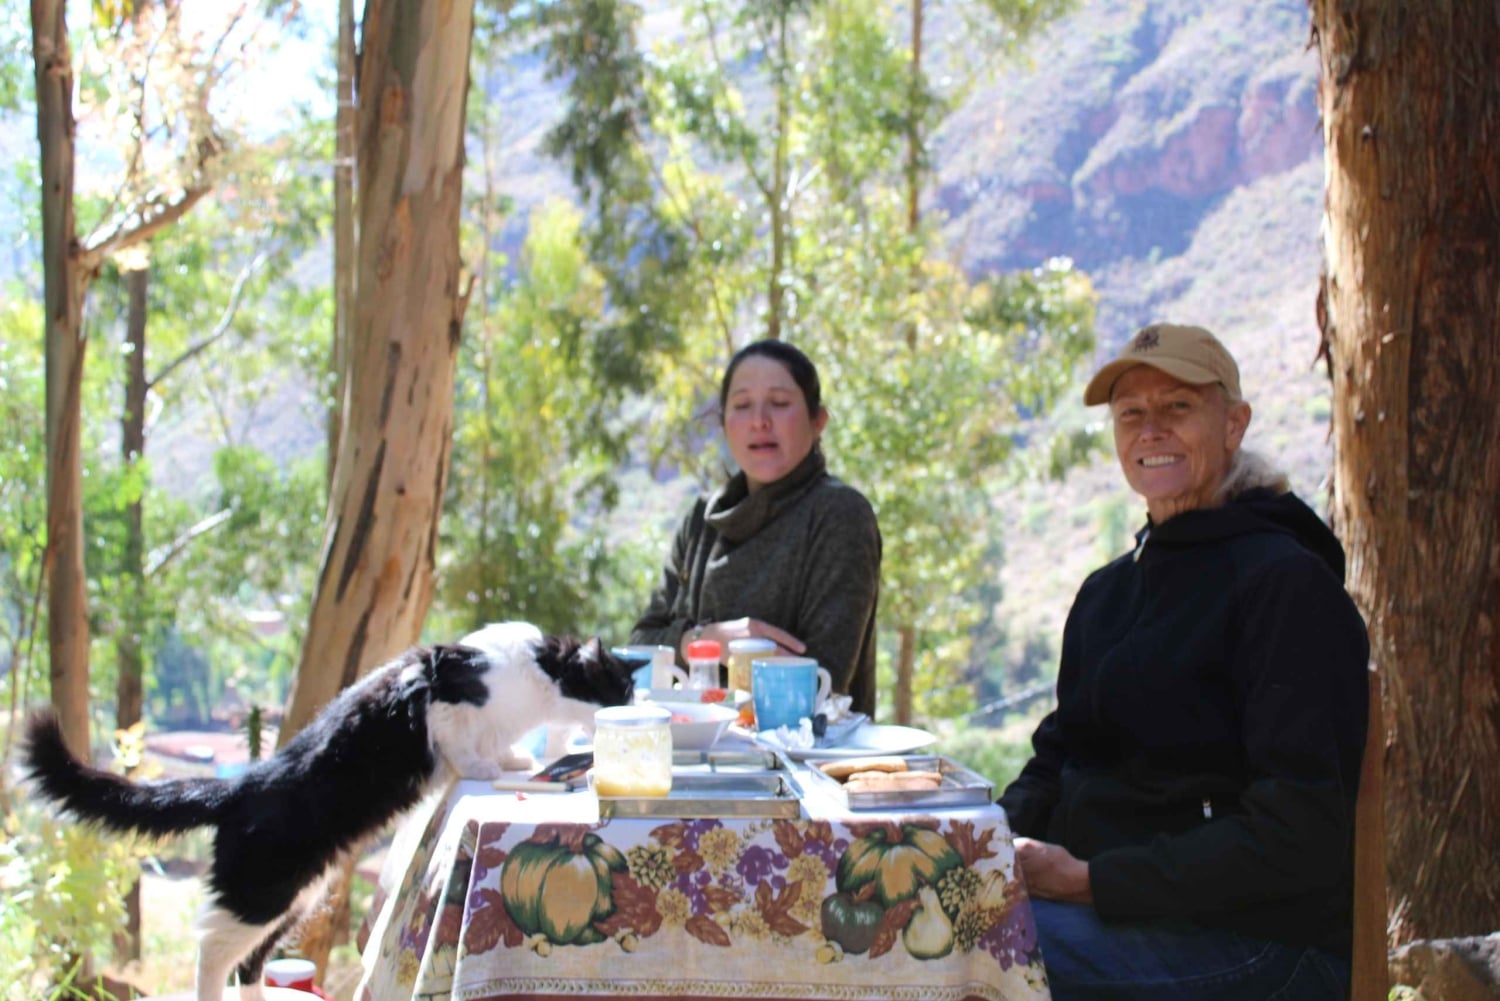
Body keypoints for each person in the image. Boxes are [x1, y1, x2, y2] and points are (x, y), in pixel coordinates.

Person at [998, 323, 1369, 1001]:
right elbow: (1056, 758)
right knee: (916, 916)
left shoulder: (1285, 584)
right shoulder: (1109, 590)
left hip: (1260, 945)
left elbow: (1298, 834)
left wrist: (1089, 879)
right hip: (1116, 914)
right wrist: (987, 844)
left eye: (1177, 408)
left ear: (1233, 424)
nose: (1151, 431)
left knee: (968, 955)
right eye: (1131, 414)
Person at [630, 340, 882, 718]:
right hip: (692, 759)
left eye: (779, 403)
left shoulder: (839, 514)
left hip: (802, 768)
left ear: (818, 422)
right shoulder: (701, 521)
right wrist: (707, 640)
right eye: (742, 405)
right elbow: (639, 648)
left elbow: (826, 683)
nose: (759, 421)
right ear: (723, 422)